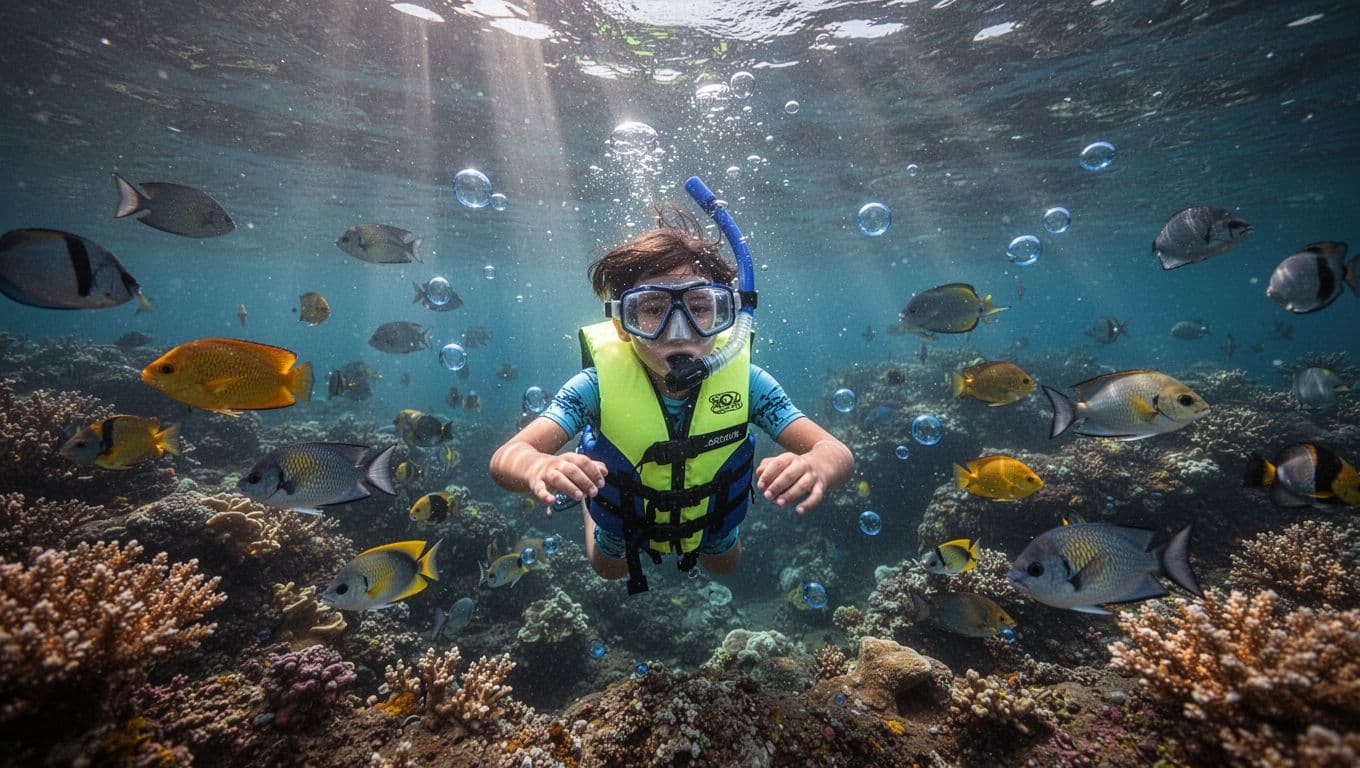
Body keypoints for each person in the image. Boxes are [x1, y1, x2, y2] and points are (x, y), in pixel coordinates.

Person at [490, 204, 854, 593]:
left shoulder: (750, 384)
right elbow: (506, 459)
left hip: (710, 517)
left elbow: (836, 453)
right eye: (651, 311)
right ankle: (589, 507)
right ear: (622, 326)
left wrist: (817, 465)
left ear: (725, 315)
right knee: (608, 569)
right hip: (622, 513)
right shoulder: (593, 387)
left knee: (725, 564)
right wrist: (536, 467)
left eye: (699, 308)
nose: (679, 331)